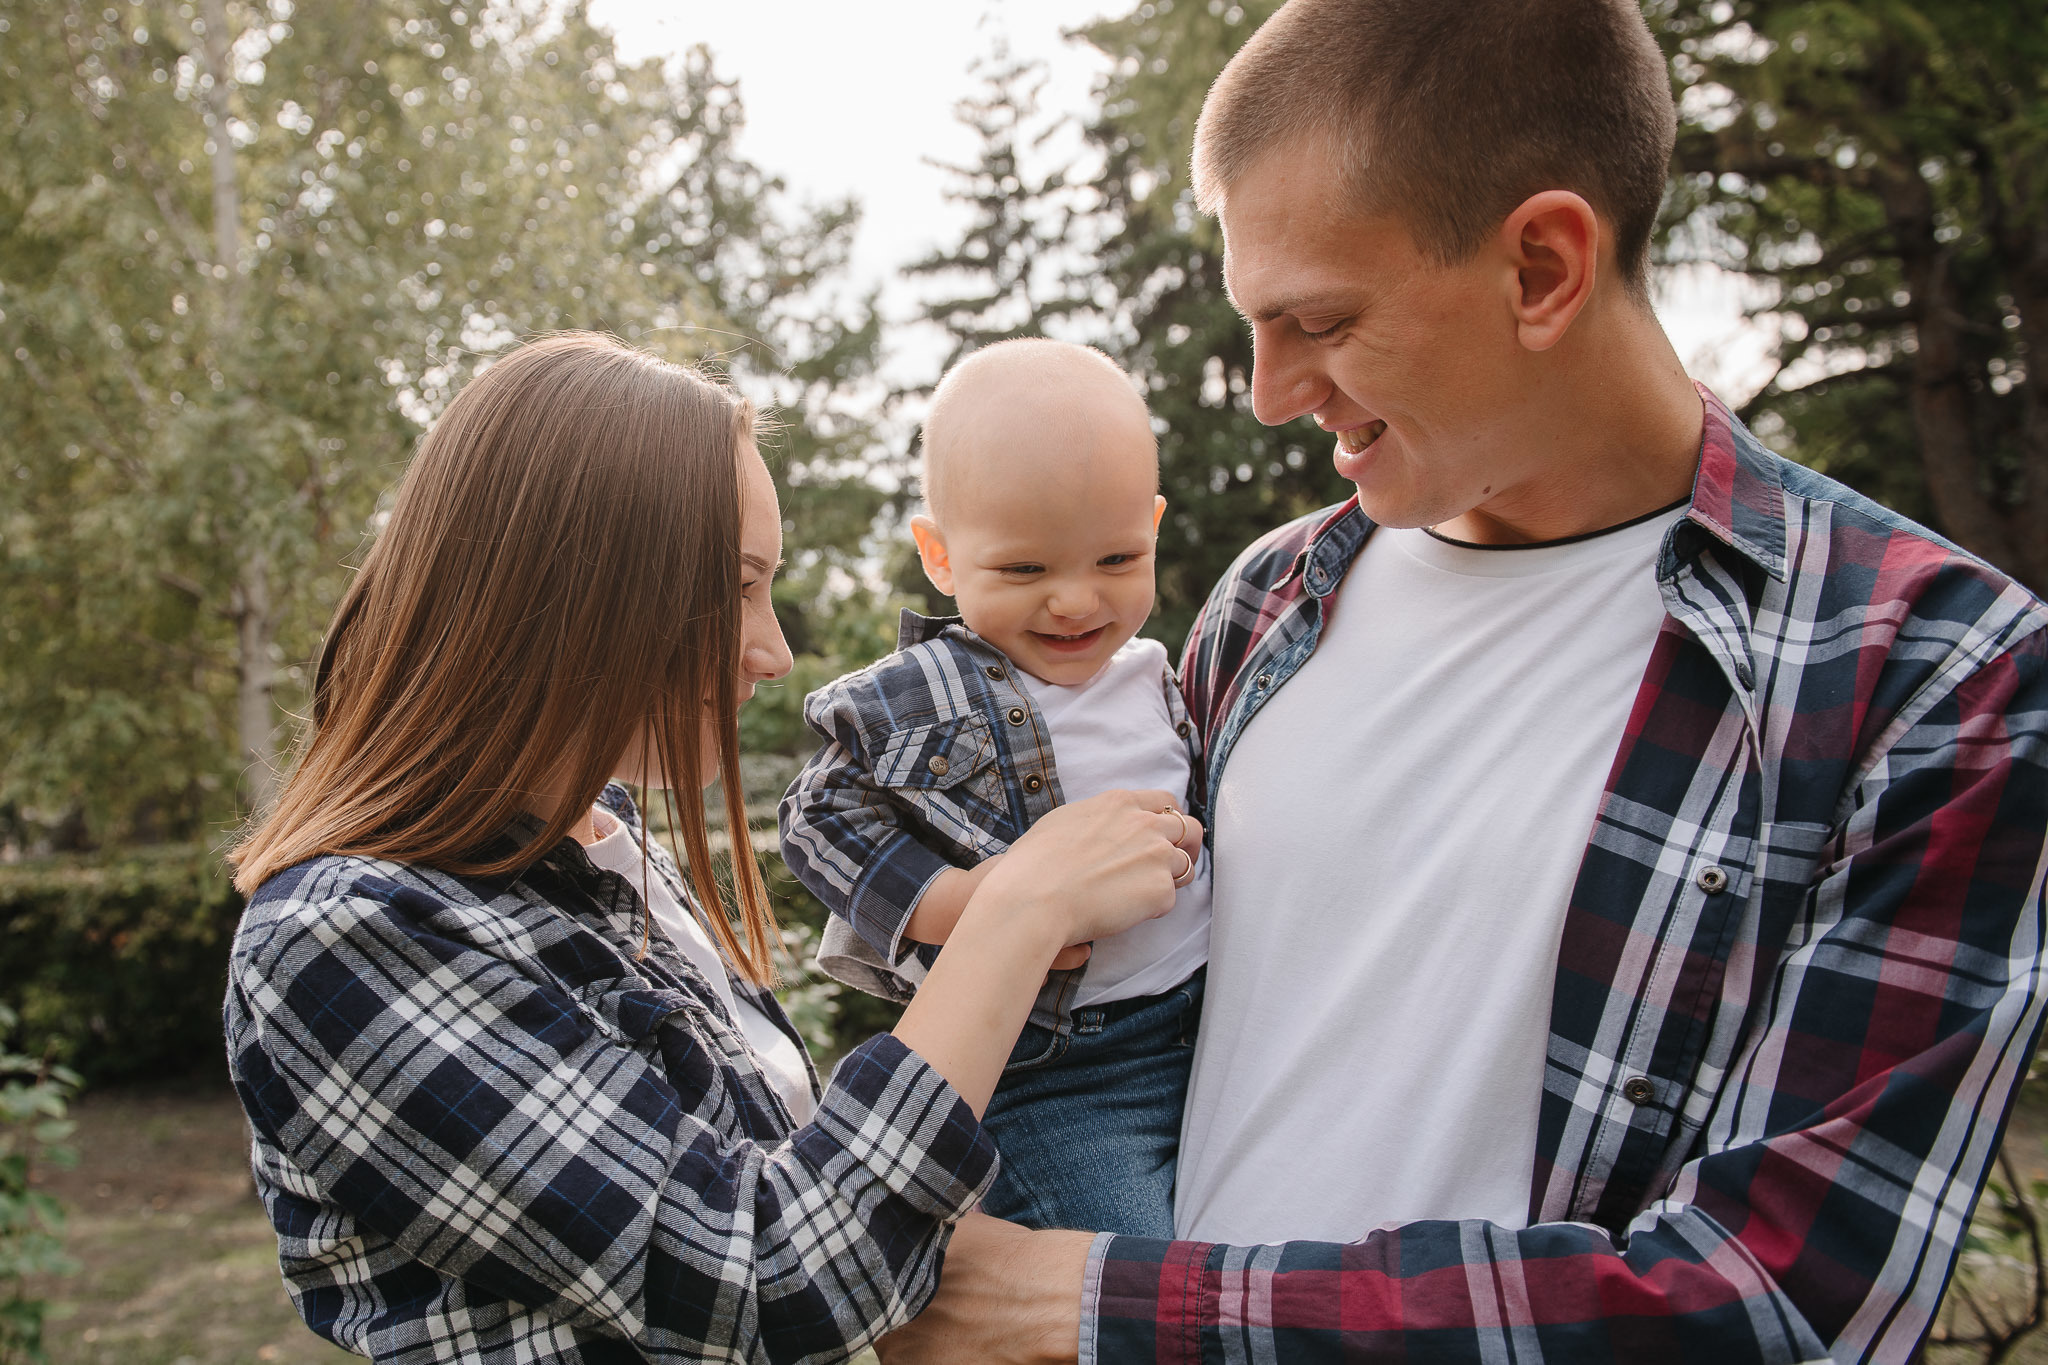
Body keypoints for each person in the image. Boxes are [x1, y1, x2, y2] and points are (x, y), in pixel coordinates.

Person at [879, 1, 2048, 1362]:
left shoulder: (1931, 674)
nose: (1267, 392)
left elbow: (1776, 1303)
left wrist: (1081, 1301)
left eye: (1319, 320)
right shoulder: (1269, 601)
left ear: (1542, 268)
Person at [222, 331, 1201, 1363]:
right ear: (566, 591)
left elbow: (780, 1190)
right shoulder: (343, 938)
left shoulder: (603, 851)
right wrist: (1016, 910)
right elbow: (774, 1276)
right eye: (735, 588)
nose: (774, 653)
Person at [780, 339, 1212, 1238]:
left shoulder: (1154, 672)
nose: (1075, 601)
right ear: (940, 556)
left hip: (1212, 1024)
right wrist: (968, 903)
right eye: (1025, 569)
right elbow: (816, 815)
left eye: (1116, 559)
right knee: (1128, 1275)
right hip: (1063, 1077)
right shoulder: (922, 691)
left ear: (1154, 529)